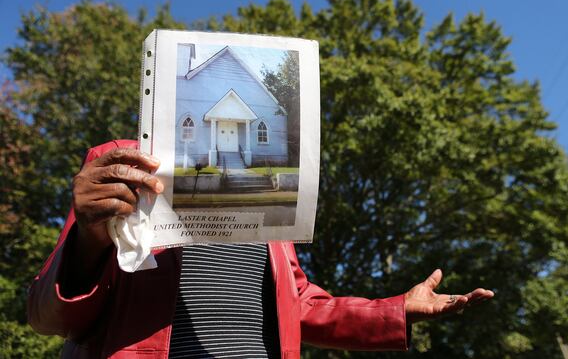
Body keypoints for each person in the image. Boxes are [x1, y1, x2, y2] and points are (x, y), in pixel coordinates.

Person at [28, 140, 494, 358]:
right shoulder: (124, 165)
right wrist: (90, 235)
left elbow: (301, 303)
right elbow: (50, 316)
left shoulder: (271, 191)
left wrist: (394, 311)